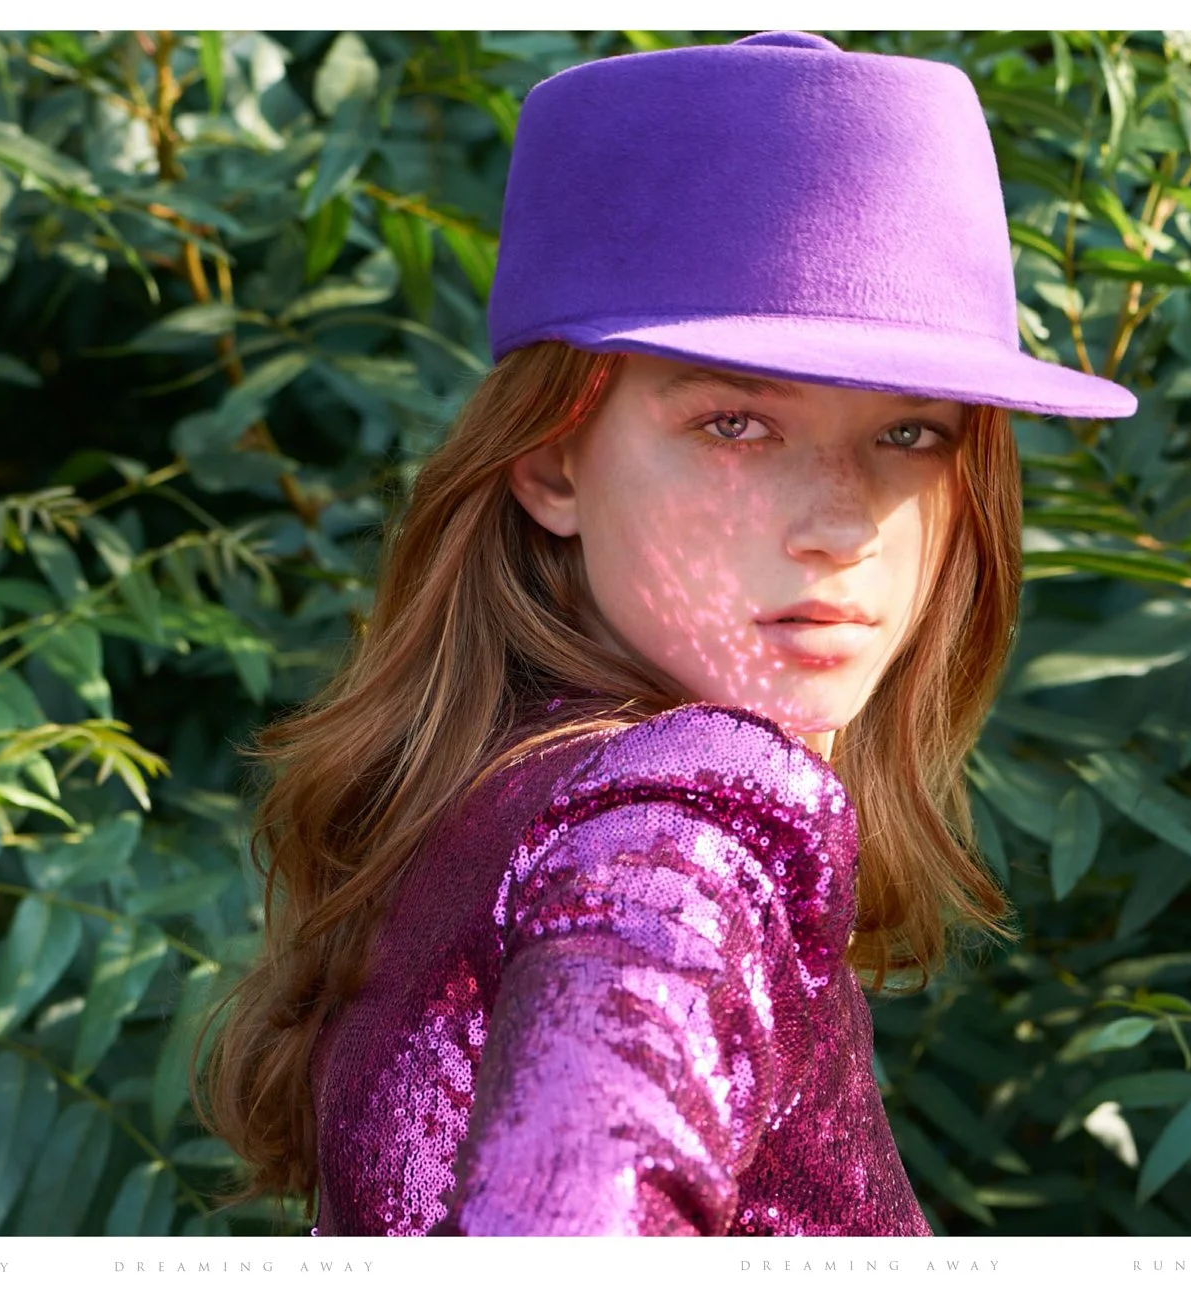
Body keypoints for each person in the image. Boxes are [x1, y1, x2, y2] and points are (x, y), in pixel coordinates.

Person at [193, 30, 1135, 1236]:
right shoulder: (679, 829)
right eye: (736, 423)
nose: (841, 526)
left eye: (910, 434)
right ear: (549, 459)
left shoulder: (492, 796)